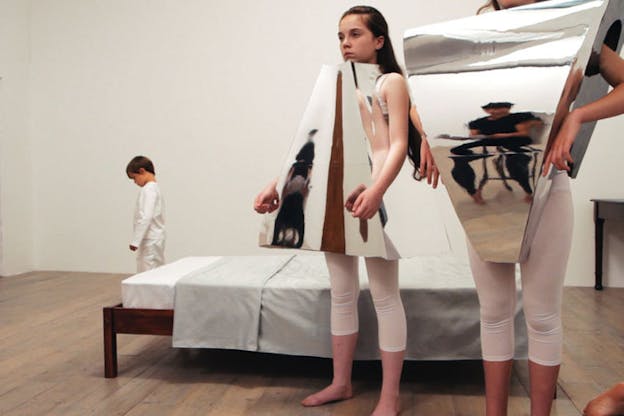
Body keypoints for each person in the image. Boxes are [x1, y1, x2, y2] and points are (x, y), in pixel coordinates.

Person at [254, 6, 435, 415]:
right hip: (336, 194)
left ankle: (389, 397)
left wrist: (377, 190)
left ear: (379, 40)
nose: (346, 43)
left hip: (372, 195)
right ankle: (341, 383)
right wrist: (277, 183)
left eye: (355, 34)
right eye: (341, 36)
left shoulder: (390, 82)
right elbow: (310, 143)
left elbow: (392, 146)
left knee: (386, 297)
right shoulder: (337, 83)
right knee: (342, 292)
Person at [471, 1, 624, 416]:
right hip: (489, 190)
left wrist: (578, 118)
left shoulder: (580, 26)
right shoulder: (481, 24)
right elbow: (428, 96)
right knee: (495, 314)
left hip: (547, 185)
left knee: (542, 315)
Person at [126, 155, 166, 273]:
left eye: (134, 177)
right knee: (156, 269)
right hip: (155, 238)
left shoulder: (149, 190)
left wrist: (135, 241)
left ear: (142, 171)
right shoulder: (155, 188)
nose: (135, 182)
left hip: (150, 239)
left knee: (148, 271)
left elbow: (146, 216)